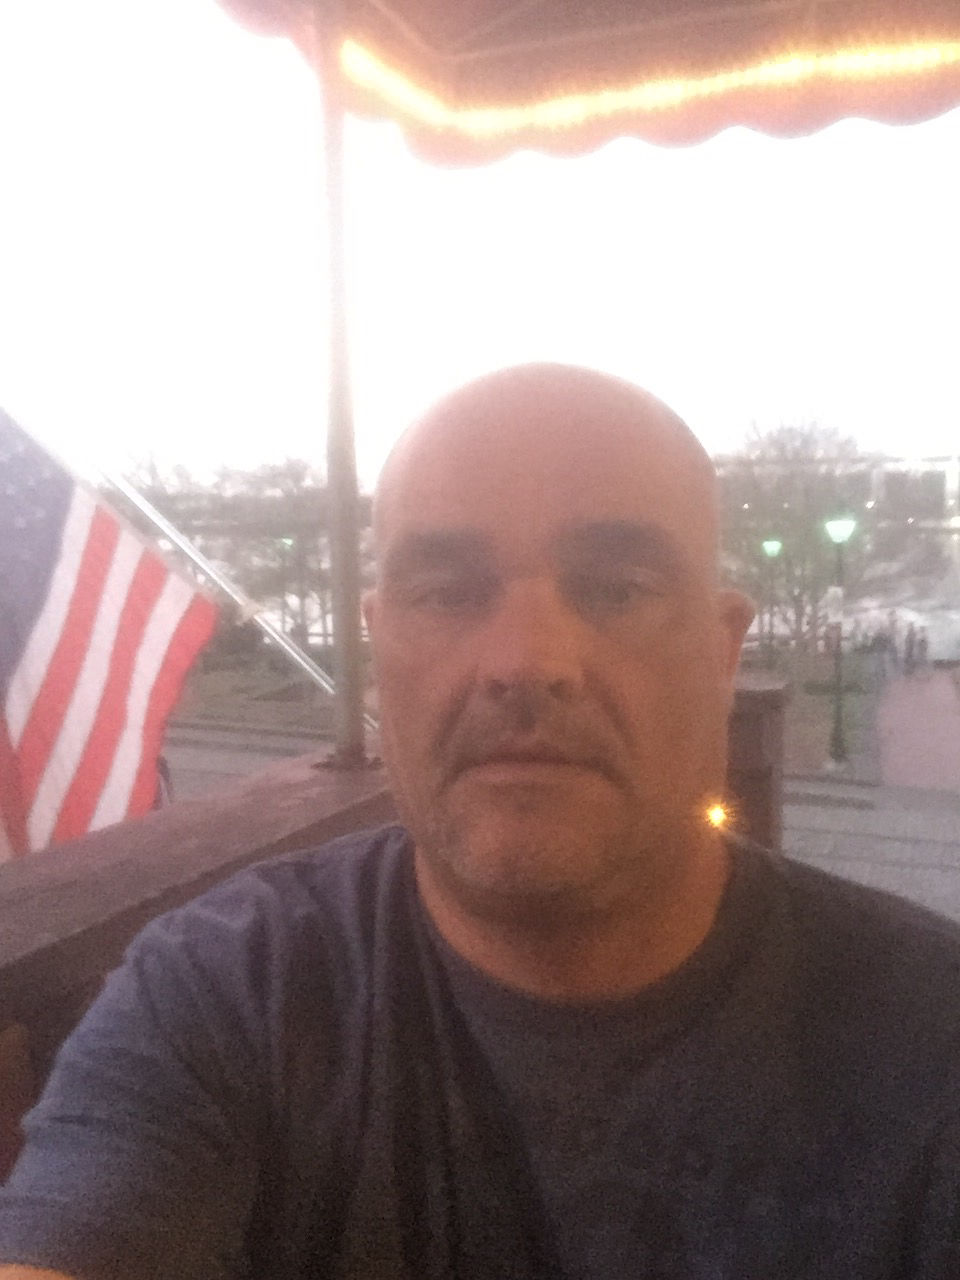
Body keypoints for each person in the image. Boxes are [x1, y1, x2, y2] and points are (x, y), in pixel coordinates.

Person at [2, 364, 960, 1279]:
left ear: (722, 653)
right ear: (379, 645)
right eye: (447, 593)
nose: (527, 661)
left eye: (615, 590)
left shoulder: (929, 1044)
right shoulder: (223, 993)